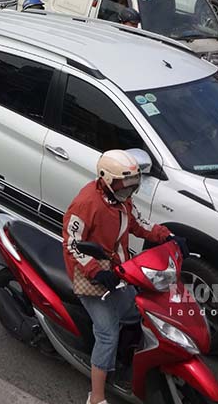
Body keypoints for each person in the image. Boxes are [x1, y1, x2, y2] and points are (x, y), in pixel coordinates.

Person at [62, 150, 171, 404]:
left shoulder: (121, 199)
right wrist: (96, 271)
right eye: (125, 184)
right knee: (107, 333)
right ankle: (96, 397)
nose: (130, 190)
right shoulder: (87, 203)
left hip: (117, 271)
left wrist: (166, 236)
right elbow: (71, 244)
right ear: (106, 179)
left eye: (134, 185)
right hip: (90, 277)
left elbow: (136, 224)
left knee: (139, 311)